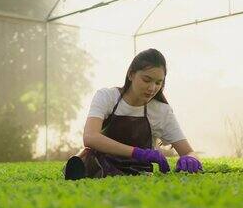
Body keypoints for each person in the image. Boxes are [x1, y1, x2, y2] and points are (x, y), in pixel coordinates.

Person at [64, 48, 203, 180]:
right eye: (146, 80)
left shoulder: (161, 111)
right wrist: (138, 153)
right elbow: (90, 137)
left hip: (138, 173)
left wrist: (191, 159)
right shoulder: (107, 97)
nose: (152, 88)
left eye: (158, 82)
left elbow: (189, 151)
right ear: (131, 74)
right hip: (98, 168)